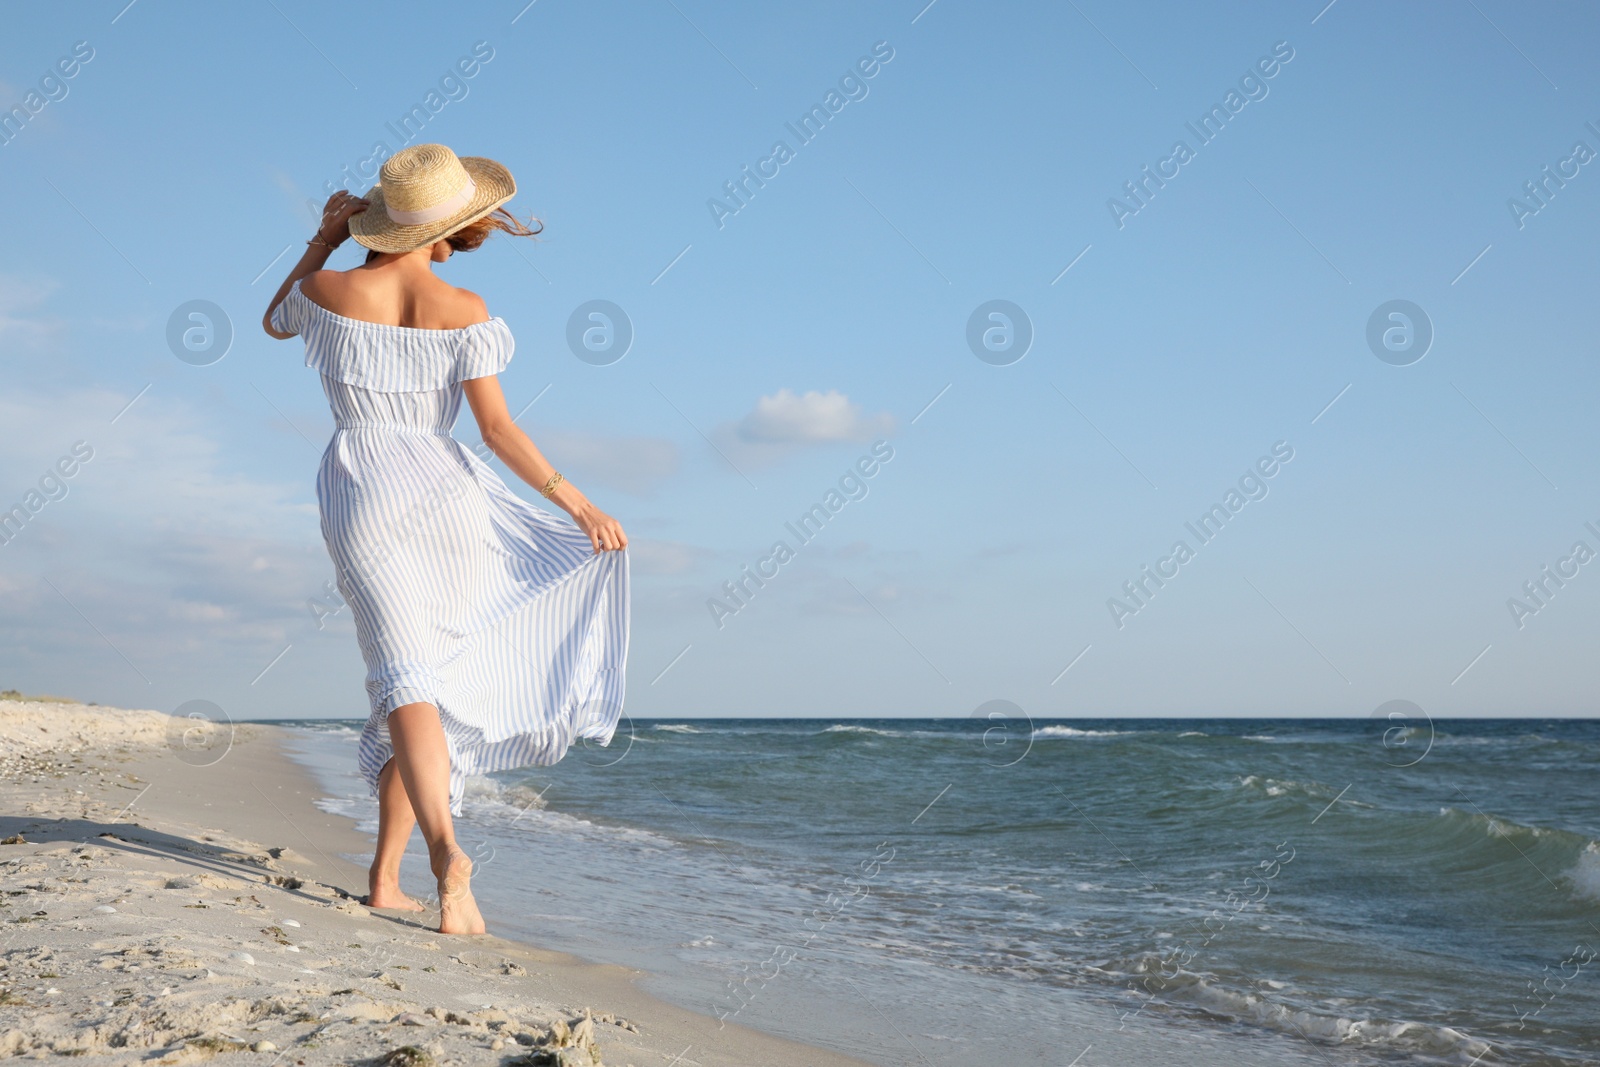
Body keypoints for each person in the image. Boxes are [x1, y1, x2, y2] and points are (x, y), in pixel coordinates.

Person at [262, 143, 630, 934]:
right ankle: (386, 876)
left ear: (378, 221)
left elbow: (272, 322)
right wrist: (578, 503)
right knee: (419, 684)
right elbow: (497, 430)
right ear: (457, 224)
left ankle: (442, 854)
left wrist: (323, 240)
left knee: (407, 682)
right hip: (450, 494)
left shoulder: (325, 288)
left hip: (363, 486)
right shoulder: (466, 310)